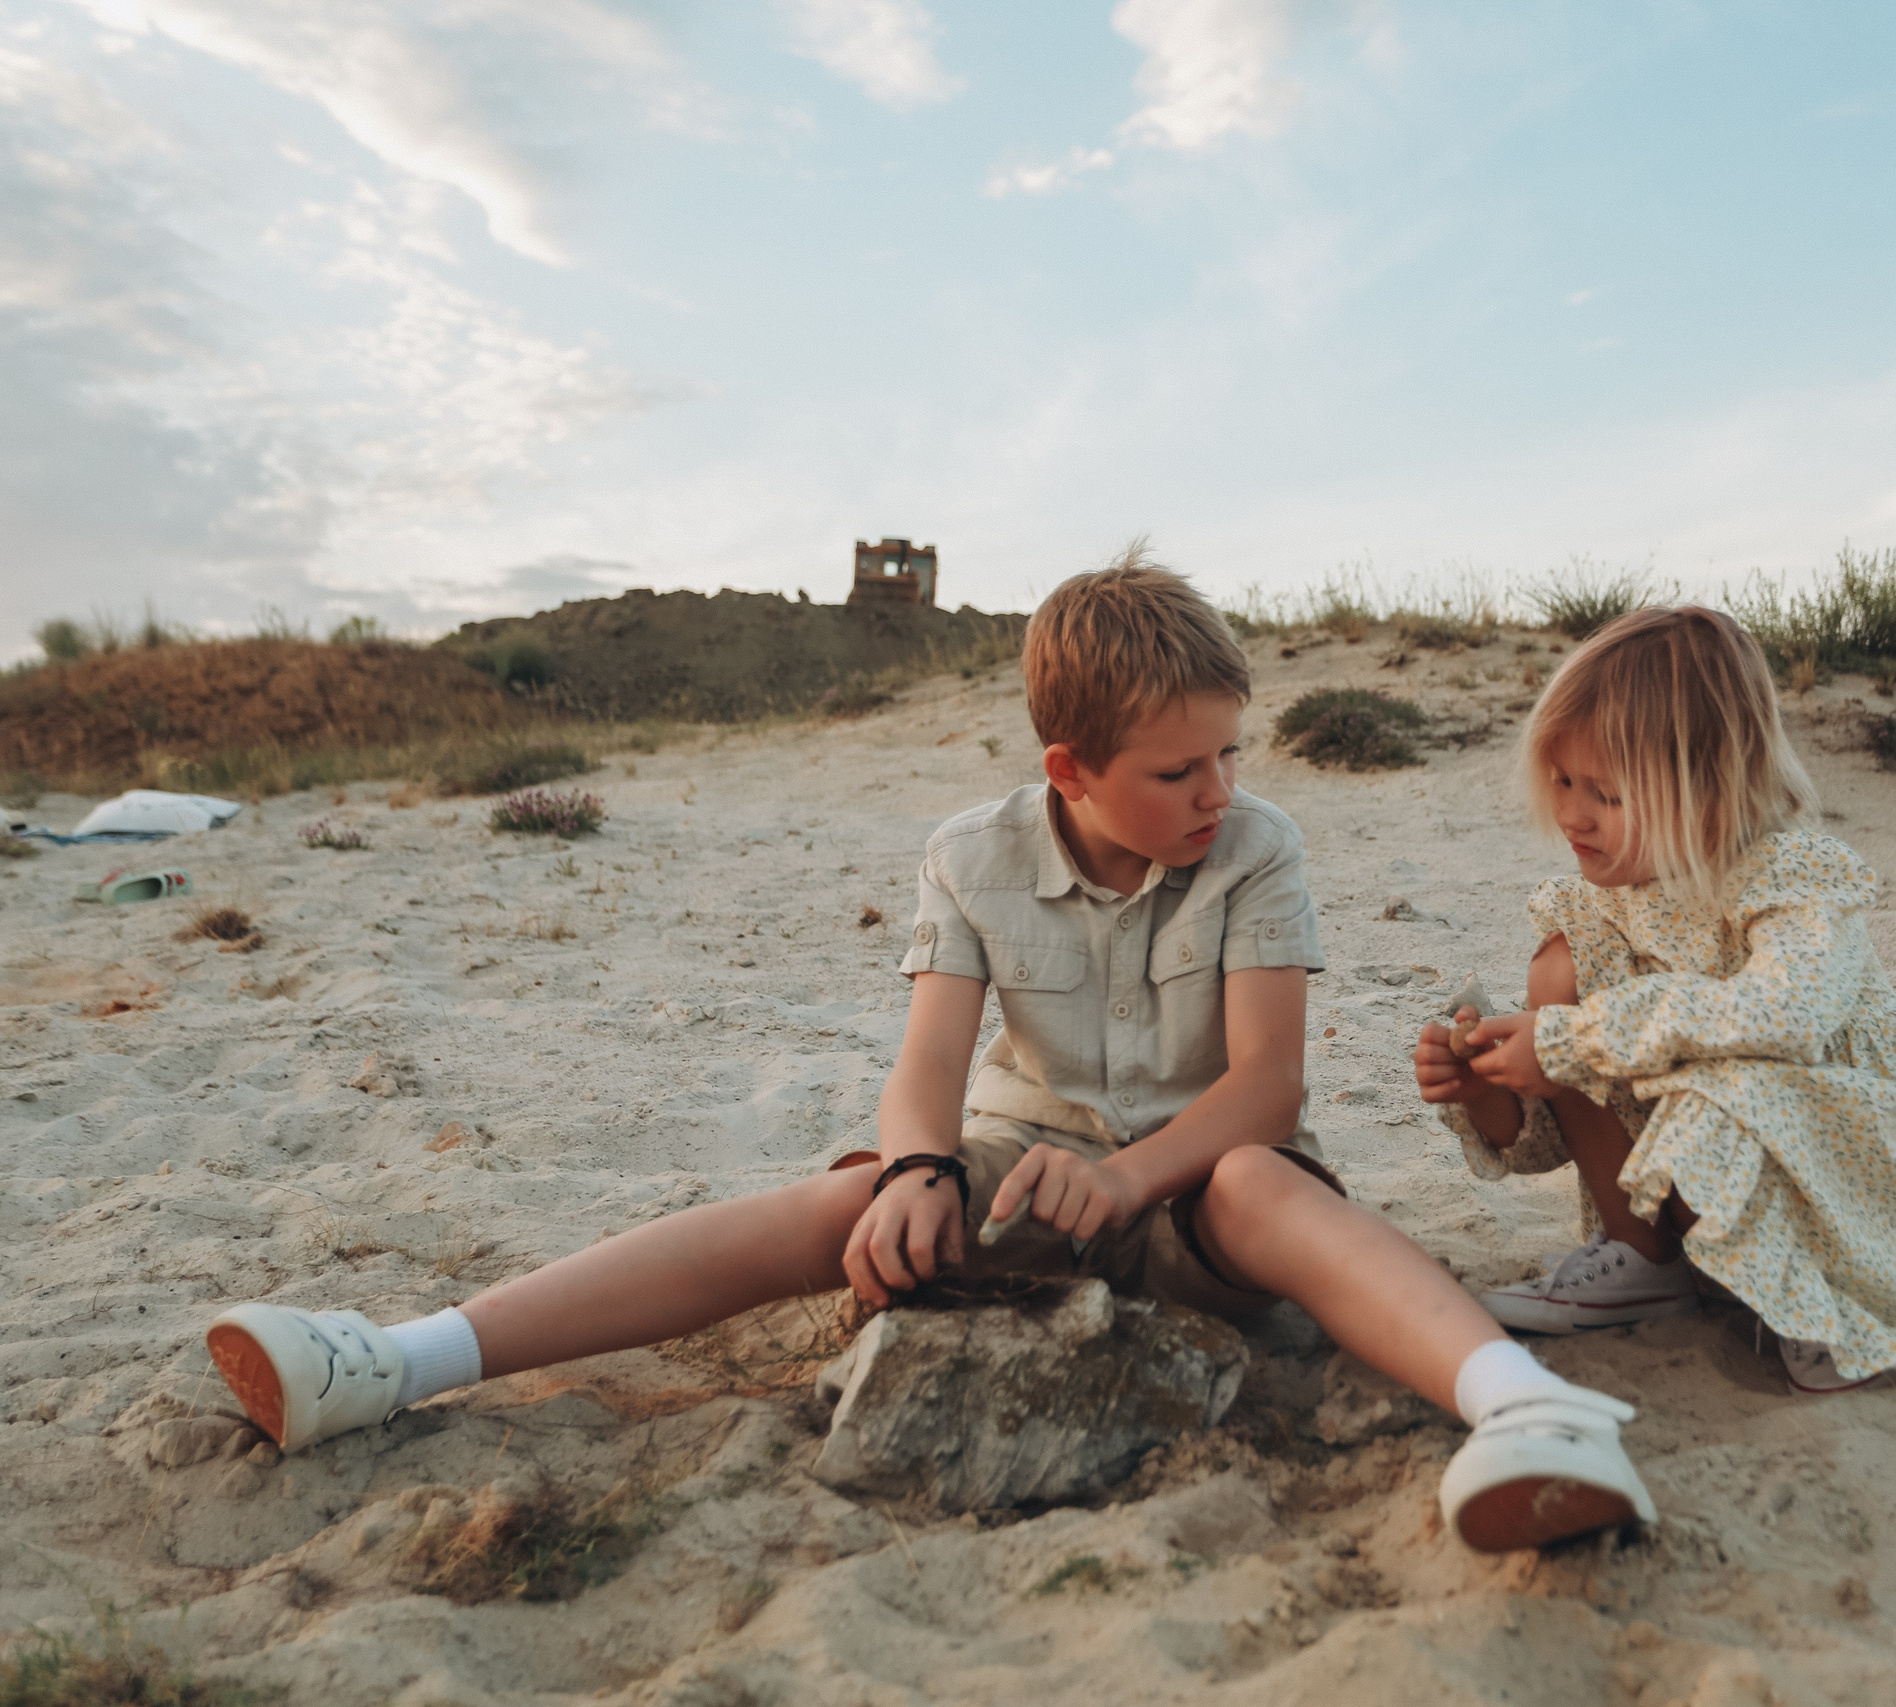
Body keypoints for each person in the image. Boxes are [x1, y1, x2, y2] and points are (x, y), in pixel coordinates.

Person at [203, 551, 1655, 1552]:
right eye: (1177, 770)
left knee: (1276, 1189)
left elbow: (1267, 1085)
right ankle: (395, 1358)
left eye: (1229, 753)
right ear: (1070, 771)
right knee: (849, 1204)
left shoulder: (1255, 846)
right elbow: (927, 1063)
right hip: (1023, 1162)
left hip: (1208, 1173)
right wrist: (911, 1164)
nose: (1218, 788)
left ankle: (1530, 1413)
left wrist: (1134, 1172)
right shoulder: (970, 855)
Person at [1411, 605, 1896, 1398]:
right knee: (1558, 979)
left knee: (1707, 1080)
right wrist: (1494, 1094)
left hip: (1854, 1205)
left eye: (1603, 793)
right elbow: (1570, 1128)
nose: (1571, 813)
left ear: (1706, 787)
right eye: (1563, 781)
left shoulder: (1792, 879)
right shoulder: (1597, 915)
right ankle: (1640, 1259)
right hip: (1707, 1212)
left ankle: (1825, 1314)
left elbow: (1787, 1016)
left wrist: (1575, 1039)